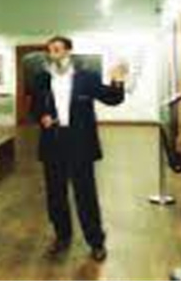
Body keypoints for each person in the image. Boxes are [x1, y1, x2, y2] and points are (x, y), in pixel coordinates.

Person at [32, 36, 127, 262]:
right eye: (50, 50)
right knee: (56, 195)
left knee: (85, 194)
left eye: (57, 49)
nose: (53, 54)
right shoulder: (42, 78)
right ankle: (62, 237)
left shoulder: (86, 77)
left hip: (80, 142)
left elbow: (113, 98)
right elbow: (34, 107)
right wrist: (42, 117)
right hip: (53, 142)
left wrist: (117, 80)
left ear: (68, 51)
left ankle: (96, 241)